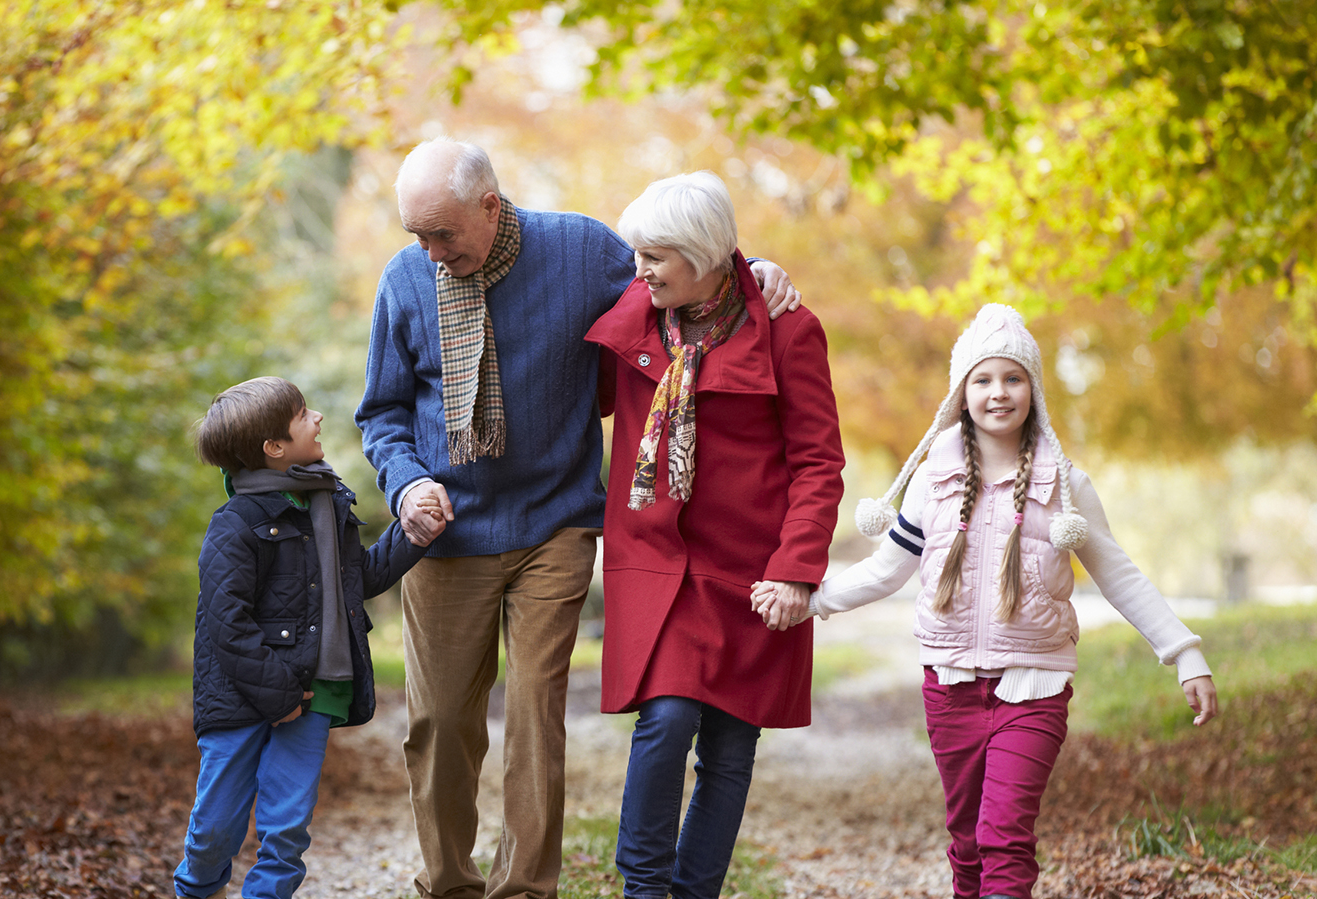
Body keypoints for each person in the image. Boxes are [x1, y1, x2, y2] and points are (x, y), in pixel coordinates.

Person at [355, 138, 801, 899]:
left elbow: (683, 268)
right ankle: (450, 883)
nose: (430, 251)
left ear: (490, 206)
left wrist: (750, 269)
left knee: (535, 712)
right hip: (446, 529)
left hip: (554, 522)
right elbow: (383, 412)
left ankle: (525, 888)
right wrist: (403, 484)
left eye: (443, 234)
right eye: (416, 235)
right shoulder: (406, 281)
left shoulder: (581, 251)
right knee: (440, 728)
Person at [797, 304, 1220, 899]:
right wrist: (811, 599)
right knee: (967, 842)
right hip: (949, 687)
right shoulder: (932, 479)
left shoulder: (1065, 487)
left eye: (1013, 378)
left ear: (1034, 389)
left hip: (1034, 687)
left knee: (1004, 836)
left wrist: (1185, 654)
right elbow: (888, 569)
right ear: (961, 392)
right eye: (984, 379)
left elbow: (1119, 575)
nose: (999, 393)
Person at [583, 171, 845, 899]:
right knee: (666, 719)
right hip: (656, 562)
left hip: (752, 570)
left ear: (702, 255)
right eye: (638, 254)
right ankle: (643, 889)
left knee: (731, 744)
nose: (638, 269)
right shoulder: (638, 310)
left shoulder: (788, 328)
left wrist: (797, 569)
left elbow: (819, 461)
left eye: (656, 256)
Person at [174, 376, 436, 899]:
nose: (317, 418)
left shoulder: (328, 504)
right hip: (242, 699)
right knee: (214, 829)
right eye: (303, 415)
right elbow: (228, 625)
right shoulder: (236, 523)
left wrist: (411, 535)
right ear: (274, 448)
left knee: (286, 830)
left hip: (318, 689)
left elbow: (355, 579)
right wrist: (281, 694)